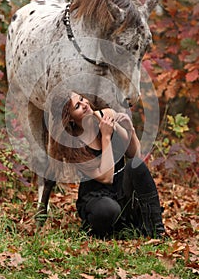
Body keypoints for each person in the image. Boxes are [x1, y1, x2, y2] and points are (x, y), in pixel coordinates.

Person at [49, 91, 166, 239]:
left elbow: (134, 155)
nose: (85, 105)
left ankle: (157, 229)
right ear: (70, 119)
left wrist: (130, 130)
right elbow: (106, 177)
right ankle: (106, 229)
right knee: (107, 210)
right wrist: (105, 136)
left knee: (136, 165)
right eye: (77, 106)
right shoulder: (73, 144)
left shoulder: (107, 115)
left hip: (122, 188)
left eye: (82, 99)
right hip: (97, 196)